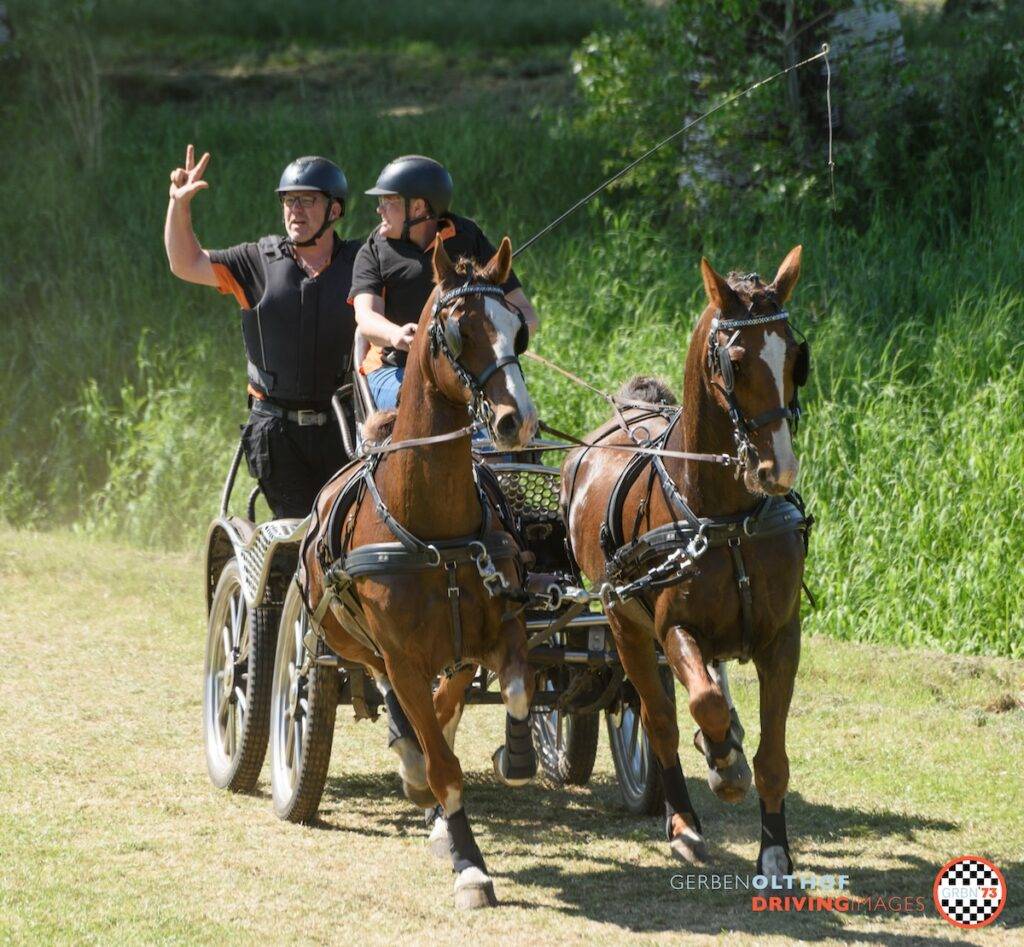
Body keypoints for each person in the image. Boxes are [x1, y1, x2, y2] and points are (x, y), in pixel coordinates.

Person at [164, 146, 360, 518]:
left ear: (334, 210)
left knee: (349, 528)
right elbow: (185, 263)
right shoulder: (256, 261)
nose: (295, 210)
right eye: (288, 200)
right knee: (302, 529)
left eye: (307, 200)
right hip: (275, 433)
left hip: (341, 427)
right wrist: (179, 205)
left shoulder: (362, 263)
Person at [350, 154, 538, 410]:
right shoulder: (373, 250)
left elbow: (526, 312)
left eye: (388, 201)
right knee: (431, 404)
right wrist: (395, 335)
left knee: (513, 413)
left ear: (418, 207)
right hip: (392, 368)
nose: (379, 209)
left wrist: (504, 336)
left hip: (462, 371)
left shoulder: (468, 237)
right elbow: (366, 316)